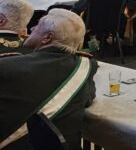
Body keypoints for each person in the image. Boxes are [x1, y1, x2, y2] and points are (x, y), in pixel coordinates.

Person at [0, 9, 98, 148]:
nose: (32, 28)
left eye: (37, 26)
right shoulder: (86, 66)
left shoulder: (6, 67)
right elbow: (88, 98)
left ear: (47, 37)